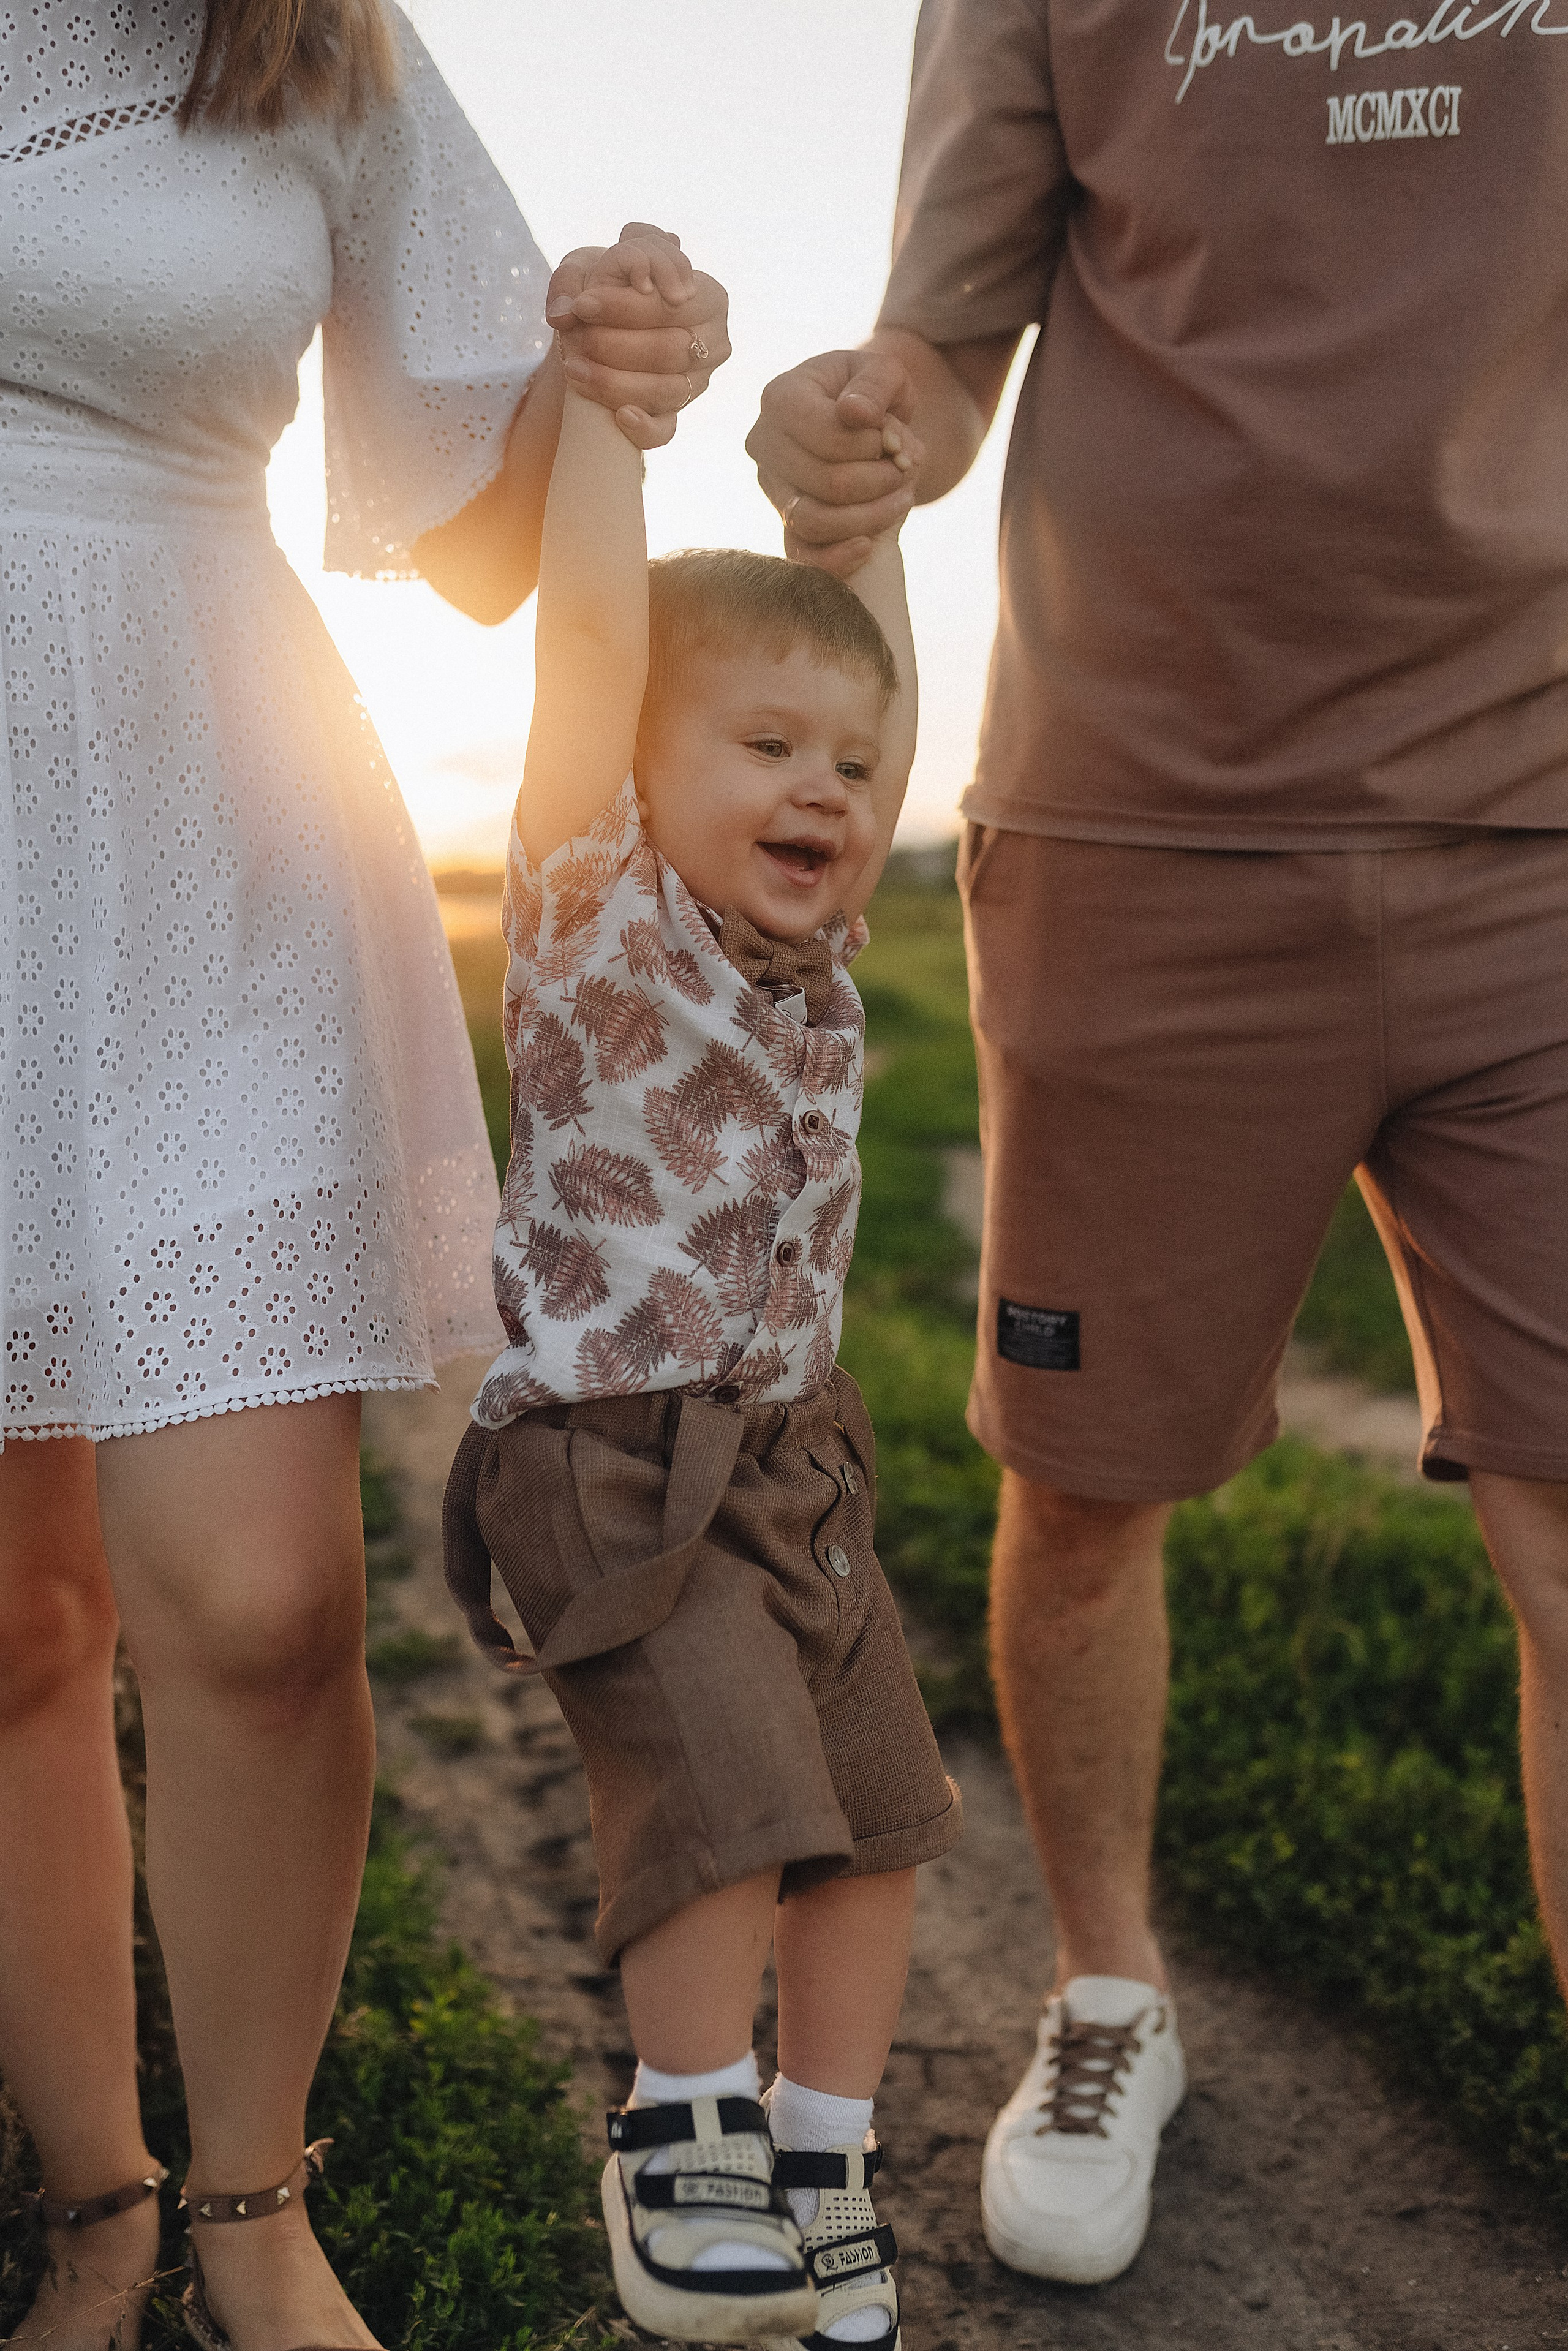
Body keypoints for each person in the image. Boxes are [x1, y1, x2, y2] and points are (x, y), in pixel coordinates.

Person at [748, 0, 1568, 2294]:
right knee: (1089, 1490)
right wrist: (853, 419)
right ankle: (1113, 1993)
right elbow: (941, 343)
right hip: (1141, 827)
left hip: (1543, 821)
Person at [0, 7, 731, 2349]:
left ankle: (250, 2207)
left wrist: (600, 356)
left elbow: (487, 529)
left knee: (261, 1604)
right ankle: (98, 2203)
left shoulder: (306, 37)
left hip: (205, 818)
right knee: (11, 1625)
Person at [442, 224, 959, 2351]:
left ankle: (823, 2151)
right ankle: (682, 2135)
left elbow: (879, 688)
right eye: (764, 750)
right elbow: (588, 645)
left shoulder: (817, 958)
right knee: (729, 1799)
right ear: (648, 770)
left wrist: (884, 527)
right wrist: (607, 431)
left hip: (797, 1462)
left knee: (880, 1822)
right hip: (618, 1460)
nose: (826, 791)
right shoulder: (596, 913)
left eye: (843, 771)